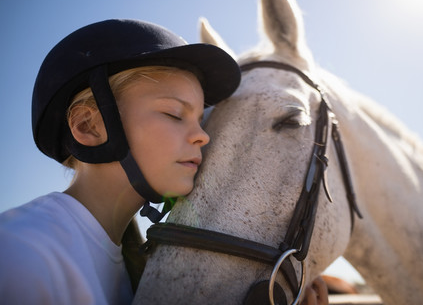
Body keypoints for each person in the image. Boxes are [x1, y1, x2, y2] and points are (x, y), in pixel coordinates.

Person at [0, 19, 329, 305]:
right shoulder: (20, 257)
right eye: (174, 114)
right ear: (89, 127)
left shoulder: (143, 268)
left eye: (201, 120)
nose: (203, 136)